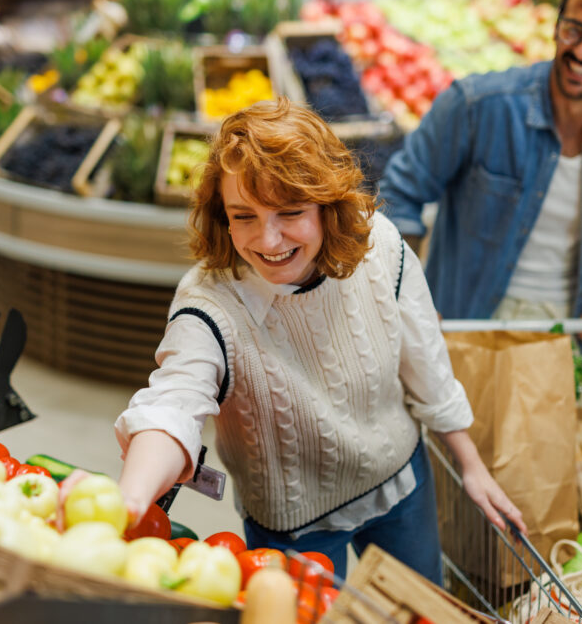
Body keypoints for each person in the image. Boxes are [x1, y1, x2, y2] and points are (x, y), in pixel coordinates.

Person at [115, 98, 525, 583]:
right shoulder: (210, 304)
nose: (268, 241)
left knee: (421, 608)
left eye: (290, 212)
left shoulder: (382, 247)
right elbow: (173, 401)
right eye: (243, 216)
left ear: (328, 205)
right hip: (292, 524)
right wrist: (129, 504)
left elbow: (426, 364)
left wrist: (470, 464)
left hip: (398, 481)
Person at [378, 0, 582, 346]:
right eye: (574, 31)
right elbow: (400, 195)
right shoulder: (476, 105)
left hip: (575, 330)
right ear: (556, 26)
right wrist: (407, 294)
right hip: (466, 323)